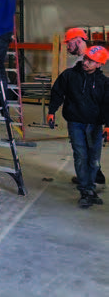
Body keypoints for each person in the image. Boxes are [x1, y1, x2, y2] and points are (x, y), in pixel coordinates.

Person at [48, 45, 109, 208]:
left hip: (95, 125)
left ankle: (89, 187)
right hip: (75, 123)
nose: (86, 62)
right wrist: (52, 111)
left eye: (92, 61)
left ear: (99, 64)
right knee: (81, 156)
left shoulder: (104, 83)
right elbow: (57, 93)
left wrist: (108, 126)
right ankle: (86, 190)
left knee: (94, 160)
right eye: (86, 58)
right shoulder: (69, 76)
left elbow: (107, 105)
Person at [63, 29, 105, 186]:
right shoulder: (80, 62)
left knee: (88, 148)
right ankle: (93, 176)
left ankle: (89, 180)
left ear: (78, 40)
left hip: (93, 115)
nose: (67, 47)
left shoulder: (93, 60)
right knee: (87, 147)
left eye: (69, 43)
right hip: (82, 114)